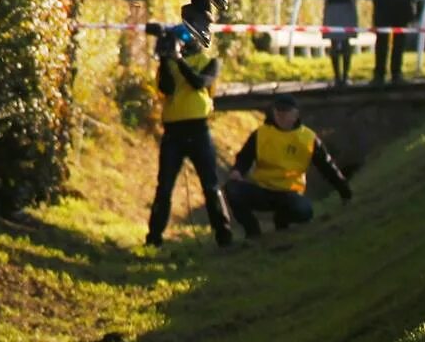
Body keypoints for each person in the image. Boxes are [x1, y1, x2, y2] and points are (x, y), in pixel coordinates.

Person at [144, 23, 234, 249]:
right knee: (164, 186)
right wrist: (166, 59)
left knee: (210, 185)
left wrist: (179, 60)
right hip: (173, 132)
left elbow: (198, 83)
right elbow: (167, 89)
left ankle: (224, 236)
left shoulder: (211, 62)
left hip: (199, 130)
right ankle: (153, 239)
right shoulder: (169, 64)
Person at [223, 93, 352, 238]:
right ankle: (252, 231)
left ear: (296, 114)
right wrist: (237, 171)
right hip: (263, 190)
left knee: (305, 211)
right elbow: (244, 158)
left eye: (285, 113)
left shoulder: (308, 138)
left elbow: (327, 167)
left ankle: (282, 220)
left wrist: (344, 191)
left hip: (290, 193)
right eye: (278, 113)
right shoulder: (261, 134)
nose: (281, 117)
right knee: (232, 189)